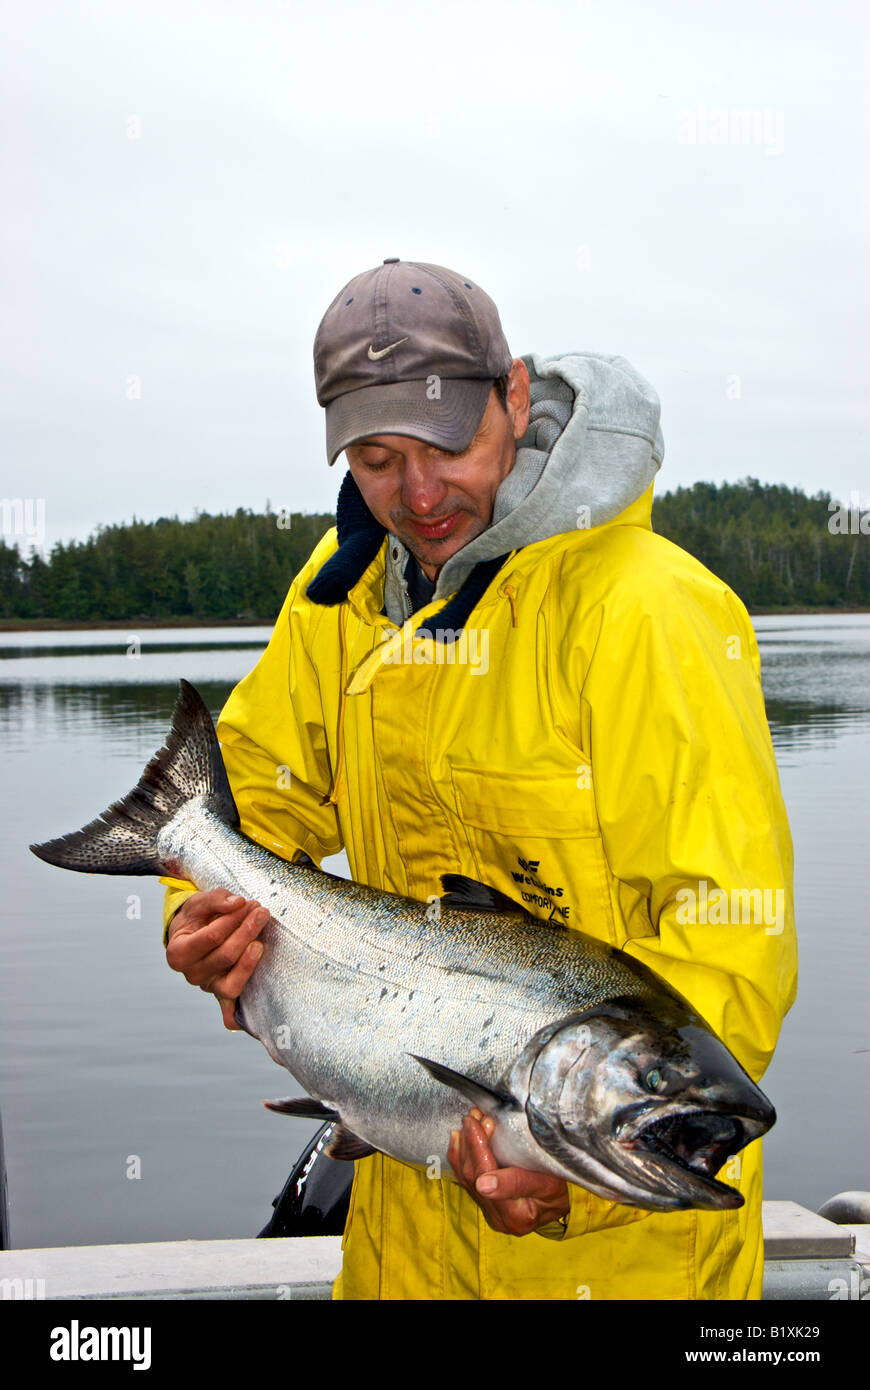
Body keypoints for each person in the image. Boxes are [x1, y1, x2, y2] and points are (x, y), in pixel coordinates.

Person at [162, 258, 797, 1300]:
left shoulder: (650, 614)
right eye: (376, 459)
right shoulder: (343, 595)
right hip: (399, 1244)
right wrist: (197, 913)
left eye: (446, 446)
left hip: (617, 1257)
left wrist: (573, 1179)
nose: (417, 494)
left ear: (513, 394)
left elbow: (727, 935)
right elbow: (251, 800)